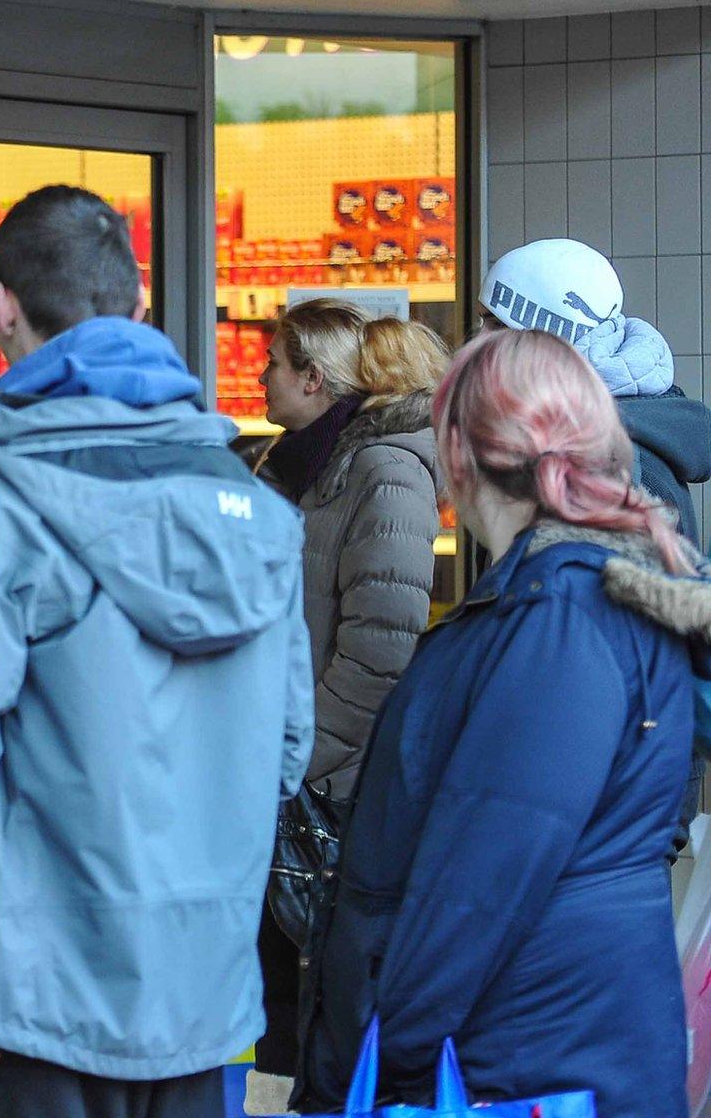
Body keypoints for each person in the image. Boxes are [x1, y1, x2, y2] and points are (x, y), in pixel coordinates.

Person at [0, 185, 312, 1118]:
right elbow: (286, 747)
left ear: (1, 312)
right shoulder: (254, 509)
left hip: (18, 986)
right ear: (141, 311)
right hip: (195, 990)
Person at [295, 328, 700, 1118]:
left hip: (521, 1068)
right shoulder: (568, 597)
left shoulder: (559, 619)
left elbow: (479, 886)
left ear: (460, 452)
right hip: (550, 1050)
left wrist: (382, 1057)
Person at [244, 301, 448, 1111]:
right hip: (284, 779)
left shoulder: (383, 469)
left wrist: (294, 758)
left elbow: (379, 653)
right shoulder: (298, 465)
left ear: (313, 377)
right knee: (276, 1005)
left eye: (272, 362)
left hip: (327, 792)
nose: (260, 375)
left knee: (313, 1006)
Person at [480, 238, 711, 545]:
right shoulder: (579, 445)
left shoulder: (615, 469)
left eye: (496, 325)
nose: (478, 341)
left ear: (554, 337)